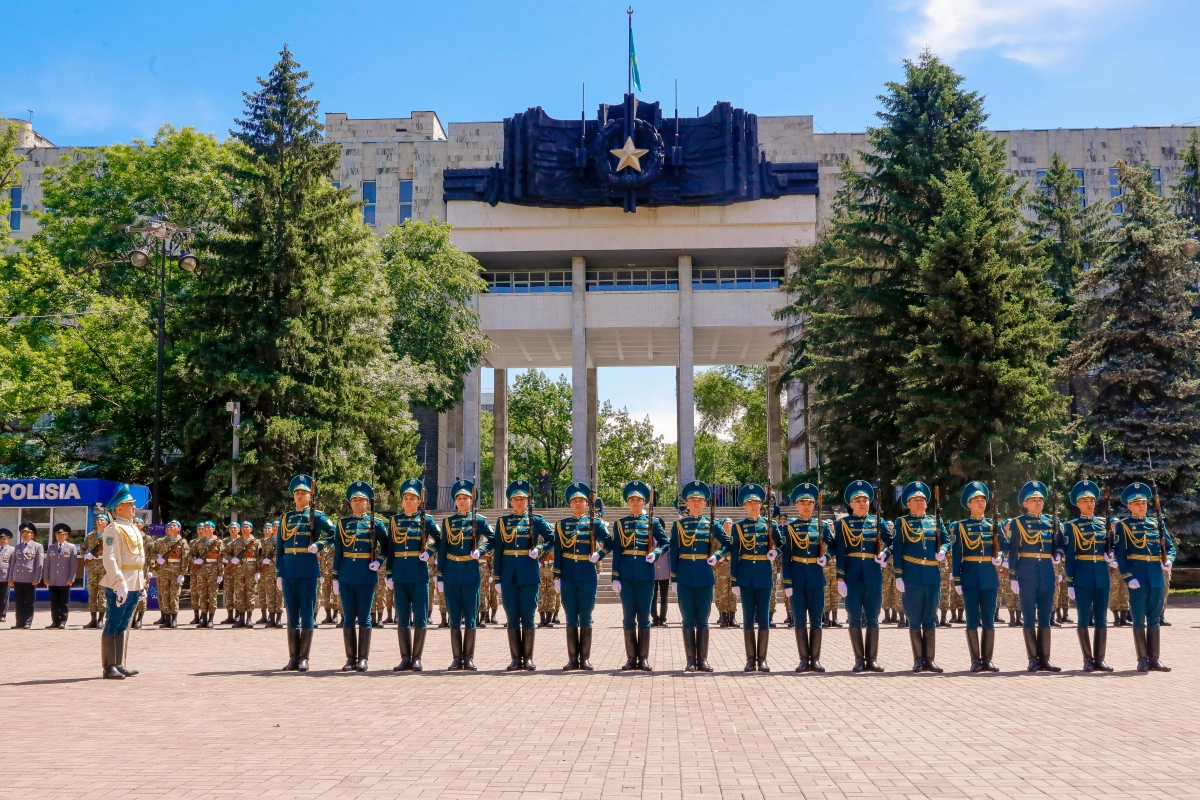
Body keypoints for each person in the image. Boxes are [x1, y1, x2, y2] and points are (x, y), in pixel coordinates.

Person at [275, 474, 336, 672]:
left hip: (308, 569)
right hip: (289, 569)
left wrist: (319, 544)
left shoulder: (316, 516)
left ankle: (304, 658)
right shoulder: (286, 518)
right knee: (292, 614)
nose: (300, 496)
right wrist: (279, 572)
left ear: (311, 495)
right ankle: (293, 657)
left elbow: (334, 533)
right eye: (297, 493)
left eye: (304, 493)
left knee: (307, 614)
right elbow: (280, 547)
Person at [669, 481, 732, 672]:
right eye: (692, 500)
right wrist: (674, 578)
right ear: (686, 503)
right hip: (685, 575)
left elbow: (728, 543)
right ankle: (690, 660)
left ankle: (702, 659)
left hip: (705, 575)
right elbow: (673, 551)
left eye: (700, 500)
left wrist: (717, 556)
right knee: (688, 619)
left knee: (703, 619)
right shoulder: (679, 525)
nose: (696, 503)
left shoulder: (711, 524)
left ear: (705, 503)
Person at [492, 479, 554, 671]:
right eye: (516, 499)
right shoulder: (503, 522)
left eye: (523, 499)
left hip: (529, 573)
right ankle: (515, 658)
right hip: (509, 574)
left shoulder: (536, 520)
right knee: (512, 617)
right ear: (511, 502)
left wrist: (540, 548)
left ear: (529, 501)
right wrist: (497, 577)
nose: (519, 502)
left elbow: (552, 538)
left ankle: (527, 658)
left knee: (528, 616)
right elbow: (499, 550)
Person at [1114, 482, 1175, 672]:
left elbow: (1171, 547)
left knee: (1155, 618)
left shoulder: (1157, 523)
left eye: (1144, 503)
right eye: (1137, 503)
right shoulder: (1124, 526)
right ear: (1129, 506)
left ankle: (1154, 659)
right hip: (1137, 578)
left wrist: (1170, 560)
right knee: (1139, 618)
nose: (1142, 506)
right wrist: (1128, 576)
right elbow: (1120, 555)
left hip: (1156, 576)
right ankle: (1142, 659)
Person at [610, 481, 669, 671]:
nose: (635, 503)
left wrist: (656, 554)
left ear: (645, 502)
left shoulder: (652, 523)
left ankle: (642, 658)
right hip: (626, 575)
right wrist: (615, 576)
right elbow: (618, 551)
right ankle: (630, 658)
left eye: (639, 500)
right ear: (628, 502)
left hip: (645, 574)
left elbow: (666, 543)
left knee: (644, 617)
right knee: (628, 617)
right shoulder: (620, 524)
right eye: (632, 499)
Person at [553, 482, 612, 671]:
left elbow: (611, 542)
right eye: (575, 501)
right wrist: (556, 576)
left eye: (581, 501)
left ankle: (584, 659)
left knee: (586, 616)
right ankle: (572, 659)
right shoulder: (561, 525)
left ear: (587, 504)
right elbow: (558, 551)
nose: (578, 504)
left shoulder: (595, 523)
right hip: (568, 574)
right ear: (570, 504)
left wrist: (599, 555)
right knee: (571, 616)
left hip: (587, 573)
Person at [892, 481, 951, 673]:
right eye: (915, 500)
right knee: (915, 618)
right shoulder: (902, 522)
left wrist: (943, 549)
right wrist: (899, 575)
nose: (919, 503)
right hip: (912, 575)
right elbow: (899, 550)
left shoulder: (935, 521)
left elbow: (946, 541)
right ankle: (918, 659)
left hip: (932, 575)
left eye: (922, 500)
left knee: (931, 617)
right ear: (908, 504)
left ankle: (930, 660)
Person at [1004, 480, 1062, 672]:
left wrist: (1059, 553)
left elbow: (1060, 544)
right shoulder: (1018, 523)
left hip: (1046, 571)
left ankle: (1045, 658)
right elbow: (1013, 550)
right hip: (1026, 571)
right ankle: (1032, 659)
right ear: (1025, 503)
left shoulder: (1051, 522)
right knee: (1029, 616)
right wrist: (1013, 576)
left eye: (1040, 500)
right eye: (1033, 500)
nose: (1038, 503)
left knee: (1046, 616)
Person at [834, 480, 892, 672]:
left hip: (873, 575)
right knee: (854, 618)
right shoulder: (843, 523)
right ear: (851, 504)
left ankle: (872, 659)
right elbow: (841, 551)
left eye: (865, 500)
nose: (861, 503)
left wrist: (885, 554)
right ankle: (859, 659)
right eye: (857, 500)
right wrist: (840, 578)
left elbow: (893, 542)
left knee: (873, 618)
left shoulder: (878, 522)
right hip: (851, 577)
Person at [331, 481, 389, 672]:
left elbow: (387, 547)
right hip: (347, 575)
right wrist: (335, 576)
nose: (357, 503)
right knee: (348, 618)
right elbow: (338, 551)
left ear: (367, 503)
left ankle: (363, 658)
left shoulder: (375, 523)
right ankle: (350, 659)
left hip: (366, 574)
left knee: (364, 618)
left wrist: (378, 561)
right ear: (350, 503)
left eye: (361, 500)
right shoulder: (342, 524)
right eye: (354, 500)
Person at [438, 479, 495, 670]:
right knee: (454, 617)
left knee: (471, 617)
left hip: (470, 572)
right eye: (459, 498)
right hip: (452, 573)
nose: (462, 501)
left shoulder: (478, 520)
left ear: (472, 501)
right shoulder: (447, 522)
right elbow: (443, 549)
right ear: (455, 501)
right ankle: (456, 658)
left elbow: (493, 539)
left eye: (466, 498)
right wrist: (440, 577)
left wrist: (481, 549)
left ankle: (468, 658)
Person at [384, 478, 439, 671]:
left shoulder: (426, 520)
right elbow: (390, 548)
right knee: (402, 616)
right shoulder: (394, 521)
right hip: (400, 573)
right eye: (405, 498)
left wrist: (429, 552)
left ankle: (417, 657)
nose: (408, 501)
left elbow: (441, 539)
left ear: (419, 501)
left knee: (420, 617)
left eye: (412, 498)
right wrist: (389, 573)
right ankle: (405, 657)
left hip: (418, 573)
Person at [949, 482, 1002, 672]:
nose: (981, 503)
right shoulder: (961, 527)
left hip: (989, 577)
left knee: (989, 620)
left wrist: (1000, 558)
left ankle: (987, 659)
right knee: (972, 619)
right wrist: (957, 579)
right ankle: (975, 660)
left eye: (983, 500)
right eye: (976, 500)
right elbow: (956, 555)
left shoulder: (993, 525)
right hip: (970, 577)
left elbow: (1002, 547)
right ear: (969, 504)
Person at [1062, 480, 1114, 672]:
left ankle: (1100, 658)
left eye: (1092, 500)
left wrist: (1111, 555)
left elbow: (1111, 547)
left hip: (1101, 575)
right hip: (1082, 575)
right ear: (1078, 504)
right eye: (1084, 500)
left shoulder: (1104, 524)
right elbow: (1069, 556)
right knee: (1083, 619)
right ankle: (1087, 659)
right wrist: (1070, 582)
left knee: (1102, 619)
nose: (1089, 504)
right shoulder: (1072, 526)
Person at [781, 483, 834, 673]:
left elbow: (833, 545)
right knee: (800, 620)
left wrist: (826, 557)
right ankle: (804, 659)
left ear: (814, 505)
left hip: (815, 576)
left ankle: (816, 659)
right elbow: (785, 557)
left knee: (817, 620)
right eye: (802, 503)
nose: (806, 506)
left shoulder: (821, 526)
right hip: (796, 576)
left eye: (809, 503)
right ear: (797, 505)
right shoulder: (789, 528)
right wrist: (787, 582)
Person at [730, 484, 780, 672]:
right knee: (748, 619)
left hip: (764, 575)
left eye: (756, 503)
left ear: (762, 505)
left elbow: (781, 544)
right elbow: (735, 555)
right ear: (744, 506)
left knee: (764, 619)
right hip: (745, 576)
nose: (753, 506)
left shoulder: (770, 525)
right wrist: (734, 580)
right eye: (749, 503)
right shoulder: (738, 527)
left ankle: (763, 659)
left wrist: (775, 551)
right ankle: (751, 659)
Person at [99, 484, 146, 679]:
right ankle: (109, 666)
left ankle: (118, 663)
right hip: (122, 583)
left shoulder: (132, 527)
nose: (133, 507)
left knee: (124, 624)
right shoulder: (113, 529)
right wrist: (119, 584)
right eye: (129, 504)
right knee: (113, 623)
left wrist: (141, 584)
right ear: (118, 508)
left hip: (134, 581)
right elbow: (109, 559)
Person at [151, 520, 189, 628]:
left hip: (176, 572)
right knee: (164, 595)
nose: (172, 526)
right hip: (163, 571)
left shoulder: (182, 542)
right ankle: (167, 619)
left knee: (174, 595)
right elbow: (152, 551)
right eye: (171, 525)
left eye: (175, 525)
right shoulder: (162, 541)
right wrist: (158, 558)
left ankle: (174, 619)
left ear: (179, 529)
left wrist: (182, 574)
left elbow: (184, 559)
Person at [43, 523, 79, 629]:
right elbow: (47, 564)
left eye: (62, 534)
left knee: (63, 602)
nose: (60, 536)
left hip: (64, 579)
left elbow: (73, 565)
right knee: (54, 602)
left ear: (66, 536)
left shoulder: (71, 548)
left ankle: (63, 621)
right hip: (53, 579)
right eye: (58, 534)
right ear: (55, 535)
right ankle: (55, 621)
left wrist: (71, 577)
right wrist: (46, 577)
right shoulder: (51, 547)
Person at [9, 522, 45, 629]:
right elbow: (13, 563)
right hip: (18, 578)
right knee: (19, 602)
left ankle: (27, 622)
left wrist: (36, 578)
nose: (25, 534)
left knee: (29, 602)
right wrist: (11, 577)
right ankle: (19, 622)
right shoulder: (18, 547)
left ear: (32, 534)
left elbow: (39, 564)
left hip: (30, 578)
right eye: (23, 532)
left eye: (27, 532)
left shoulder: (38, 546)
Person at [191, 522, 223, 628]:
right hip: (201, 571)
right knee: (202, 595)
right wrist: (195, 560)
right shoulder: (199, 542)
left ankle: (211, 620)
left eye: (208, 527)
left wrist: (220, 574)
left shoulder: (218, 542)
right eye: (204, 527)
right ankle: (203, 619)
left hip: (213, 571)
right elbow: (190, 554)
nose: (205, 529)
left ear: (213, 529)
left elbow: (221, 558)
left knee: (212, 596)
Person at [82, 515, 108, 628]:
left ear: (106, 523)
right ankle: (93, 619)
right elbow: (83, 548)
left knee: (103, 594)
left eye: (102, 520)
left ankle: (101, 620)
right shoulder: (90, 536)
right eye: (98, 519)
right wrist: (85, 555)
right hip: (92, 567)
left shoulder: (109, 536)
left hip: (105, 567)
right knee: (92, 593)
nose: (99, 521)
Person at [258, 522, 282, 627]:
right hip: (268, 572)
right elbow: (260, 554)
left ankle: (279, 619)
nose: (276, 528)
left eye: (278, 526)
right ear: (271, 529)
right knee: (270, 594)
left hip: (281, 571)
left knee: (280, 595)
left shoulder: (285, 540)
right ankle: (271, 618)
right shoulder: (265, 541)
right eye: (274, 527)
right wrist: (263, 560)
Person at [219, 522, 240, 625]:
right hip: (228, 570)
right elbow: (222, 553)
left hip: (240, 571)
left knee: (239, 593)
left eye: (235, 528)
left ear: (238, 530)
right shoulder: (225, 541)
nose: (233, 530)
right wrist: (230, 559)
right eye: (231, 528)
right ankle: (230, 615)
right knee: (229, 593)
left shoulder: (242, 540)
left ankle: (238, 615)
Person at [0, 528, 13, 623]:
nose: (2, 540)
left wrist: (11, 577)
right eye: (0, 538)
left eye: (4, 538)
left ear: (8, 540)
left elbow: (13, 565)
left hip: (5, 577)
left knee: (4, 597)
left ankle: (2, 615)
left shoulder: (12, 550)